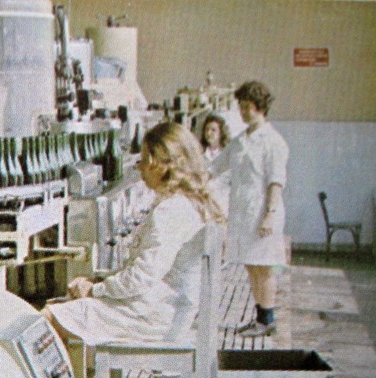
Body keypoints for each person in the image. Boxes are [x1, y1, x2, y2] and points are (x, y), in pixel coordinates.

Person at [43, 122, 225, 345]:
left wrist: (94, 289)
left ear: (162, 165)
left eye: (145, 160)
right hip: (171, 309)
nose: (139, 168)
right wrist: (100, 281)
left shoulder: (170, 211)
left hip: (152, 317)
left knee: (48, 318)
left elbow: (141, 278)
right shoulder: (190, 203)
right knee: (66, 308)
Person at [211, 80, 289, 337]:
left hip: (263, 214)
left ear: (260, 107)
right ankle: (260, 318)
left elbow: (276, 182)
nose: (243, 112)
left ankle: (268, 320)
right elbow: (215, 167)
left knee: (264, 266)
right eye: (241, 107)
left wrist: (269, 215)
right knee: (251, 265)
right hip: (244, 214)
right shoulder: (240, 141)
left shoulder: (273, 141)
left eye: (247, 107)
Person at [200, 113, 231, 216]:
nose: (209, 133)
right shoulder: (199, 154)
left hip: (224, 204)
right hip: (204, 204)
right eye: (207, 130)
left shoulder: (228, 155)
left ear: (221, 132)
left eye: (213, 130)